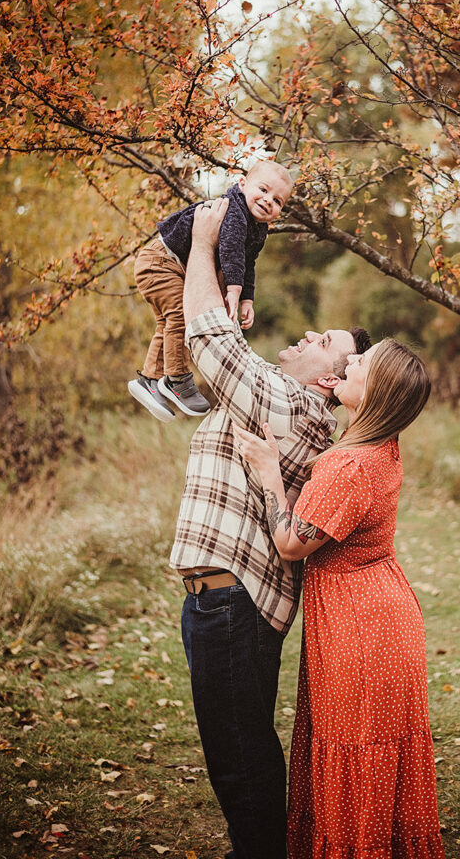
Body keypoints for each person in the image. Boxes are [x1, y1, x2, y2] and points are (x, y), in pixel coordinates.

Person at [172, 195, 371, 859]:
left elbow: (207, 335)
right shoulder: (278, 394)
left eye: (327, 344)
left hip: (234, 604)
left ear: (329, 383)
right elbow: (216, 346)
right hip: (226, 603)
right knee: (243, 749)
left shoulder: (296, 410)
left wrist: (204, 242)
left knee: (240, 759)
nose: (312, 336)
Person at [233, 338, 446, 859]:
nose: (350, 362)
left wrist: (267, 472)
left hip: (360, 627)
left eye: (362, 364)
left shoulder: (348, 466)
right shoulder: (380, 449)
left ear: (376, 393)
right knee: (373, 752)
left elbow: (289, 542)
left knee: (355, 751)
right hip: (381, 614)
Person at [128, 160, 294, 422]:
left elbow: (248, 262)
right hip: (160, 261)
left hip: (171, 265)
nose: (268, 200)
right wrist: (233, 290)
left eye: (278, 200)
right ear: (242, 184)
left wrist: (247, 299)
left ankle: (150, 380)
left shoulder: (258, 229)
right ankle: (178, 380)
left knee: (169, 323)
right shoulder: (233, 210)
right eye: (262, 190)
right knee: (180, 317)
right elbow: (230, 250)